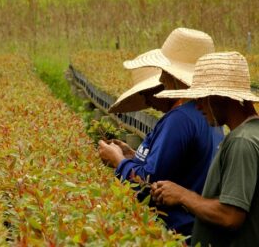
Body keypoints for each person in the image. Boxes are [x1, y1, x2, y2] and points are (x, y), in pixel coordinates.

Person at [98, 28, 224, 237]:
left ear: (176, 78)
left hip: (177, 230)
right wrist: (133, 155)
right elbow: (173, 166)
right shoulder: (206, 114)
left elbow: (148, 183)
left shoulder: (180, 119)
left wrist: (118, 161)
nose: (162, 79)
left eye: (165, 73)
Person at [150, 51, 259, 246]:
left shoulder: (242, 142)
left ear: (221, 97)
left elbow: (230, 216)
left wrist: (181, 195)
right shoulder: (251, 134)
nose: (197, 106)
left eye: (201, 97)